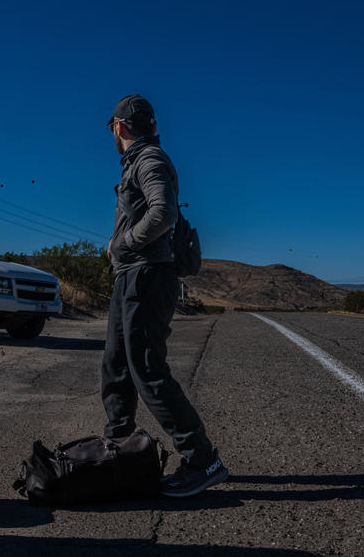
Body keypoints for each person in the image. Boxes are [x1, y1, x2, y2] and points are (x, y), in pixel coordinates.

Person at [103, 94, 229, 498]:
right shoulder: (138, 162)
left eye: (112, 127)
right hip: (131, 276)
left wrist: (124, 244)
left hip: (147, 275)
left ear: (120, 128)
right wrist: (120, 247)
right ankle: (118, 449)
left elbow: (164, 214)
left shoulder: (150, 161)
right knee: (117, 366)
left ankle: (201, 458)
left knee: (147, 369)